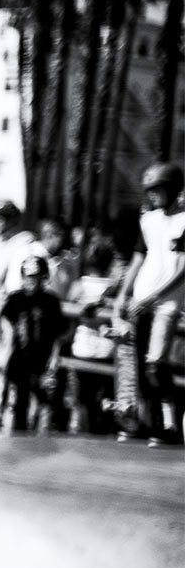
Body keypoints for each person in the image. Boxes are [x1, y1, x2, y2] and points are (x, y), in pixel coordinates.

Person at [107, 162, 185, 446]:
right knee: (137, 364)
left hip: (166, 303)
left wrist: (154, 297)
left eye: (157, 190)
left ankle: (170, 425)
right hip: (140, 298)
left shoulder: (184, 220)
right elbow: (138, 258)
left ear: (173, 190)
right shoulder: (149, 220)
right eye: (149, 190)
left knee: (155, 365)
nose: (152, 195)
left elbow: (183, 268)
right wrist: (122, 294)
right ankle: (143, 422)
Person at [0, 255, 69, 433]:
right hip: (19, 359)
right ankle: (16, 436)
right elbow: (6, 322)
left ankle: (37, 438)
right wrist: (5, 351)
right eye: (26, 277)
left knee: (42, 403)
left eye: (34, 277)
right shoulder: (15, 298)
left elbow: (59, 332)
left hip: (42, 361)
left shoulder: (51, 301)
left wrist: (54, 357)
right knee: (19, 402)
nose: (30, 281)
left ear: (44, 278)